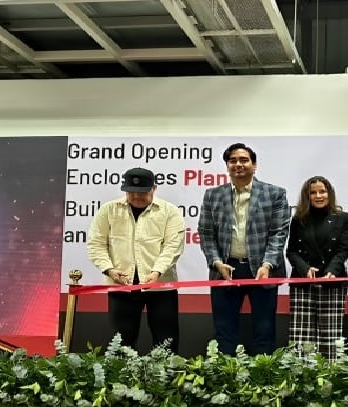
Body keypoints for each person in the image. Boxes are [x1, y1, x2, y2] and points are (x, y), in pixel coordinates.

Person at [199, 143, 291, 355]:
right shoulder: (213, 195)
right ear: (227, 166)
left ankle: (263, 373)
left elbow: (279, 233)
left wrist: (267, 264)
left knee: (264, 329)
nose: (238, 164)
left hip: (263, 270)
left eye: (244, 160)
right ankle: (225, 372)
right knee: (224, 330)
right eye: (233, 161)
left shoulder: (274, 193)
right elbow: (206, 233)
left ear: (254, 165)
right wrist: (216, 262)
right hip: (225, 269)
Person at [87, 166, 186, 353]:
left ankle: (168, 372)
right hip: (121, 284)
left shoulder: (170, 212)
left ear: (154, 189)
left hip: (160, 285)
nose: (136, 196)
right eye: (131, 192)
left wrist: (157, 271)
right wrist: (109, 270)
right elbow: (96, 244)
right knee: (120, 342)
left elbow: (173, 246)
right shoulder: (108, 210)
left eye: (142, 192)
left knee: (166, 339)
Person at [286, 176, 348, 359]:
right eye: (313, 193)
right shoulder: (298, 219)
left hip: (332, 282)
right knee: (300, 340)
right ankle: (301, 375)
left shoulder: (345, 219)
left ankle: (330, 375)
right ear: (307, 196)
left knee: (331, 339)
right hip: (303, 283)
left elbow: (343, 250)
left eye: (322, 191)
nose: (318, 196)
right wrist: (305, 269)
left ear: (329, 193)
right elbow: (291, 251)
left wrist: (331, 271)